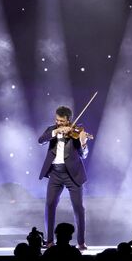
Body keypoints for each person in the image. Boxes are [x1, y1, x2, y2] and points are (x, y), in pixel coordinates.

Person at [38, 106, 89, 250]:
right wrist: (56, 131)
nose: (58, 123)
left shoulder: (76, 132)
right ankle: (49, 241)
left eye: (61, 121)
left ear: (68, 120)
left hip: (73, 174)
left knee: (79, 208)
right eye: (57, 120)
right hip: (55, 173)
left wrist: (84, 143)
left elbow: (83, 154)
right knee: (49, 205)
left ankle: (81, 242)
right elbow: (40, 140)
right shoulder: (51, 130)